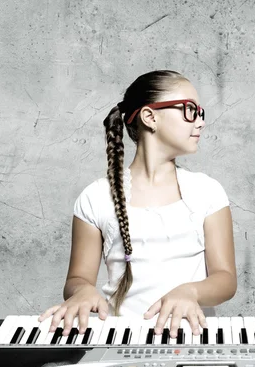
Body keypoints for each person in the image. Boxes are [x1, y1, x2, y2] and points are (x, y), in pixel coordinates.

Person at [39, 70, 236, 340]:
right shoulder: (95, 197)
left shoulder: (207, 192)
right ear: (150, 117)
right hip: (120, 340)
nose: (200, 122)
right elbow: (77, 279)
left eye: (201, 112)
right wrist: (83, 291)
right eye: (190, 110)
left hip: (192, 341)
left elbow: (225, 279)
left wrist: (191, 291)